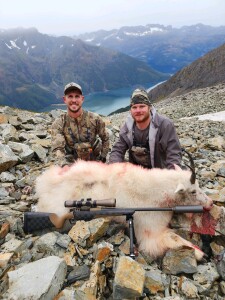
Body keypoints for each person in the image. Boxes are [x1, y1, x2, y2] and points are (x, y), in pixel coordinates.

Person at [109, 88, 182, 169]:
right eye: (134, 107)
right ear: (130, 110)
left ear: (149, 107)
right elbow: (117, 150)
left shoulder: (165, 125)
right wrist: (115, 167)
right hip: (138, 175)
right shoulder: (127, 128)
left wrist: (172, 173)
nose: (138, 110)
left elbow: (173, 153)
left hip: (160, 174)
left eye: (142, 106)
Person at [51, 82, 109, 165]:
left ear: (82, 98)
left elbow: (105, 138)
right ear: (64, 99)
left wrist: (102, 157)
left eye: (77, 96)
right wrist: (63, 164)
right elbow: (58, 148)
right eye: (70, 96)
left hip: (95, 162)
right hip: (71, 165)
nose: (74, 100)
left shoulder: (95, 119)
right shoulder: (59, 123)